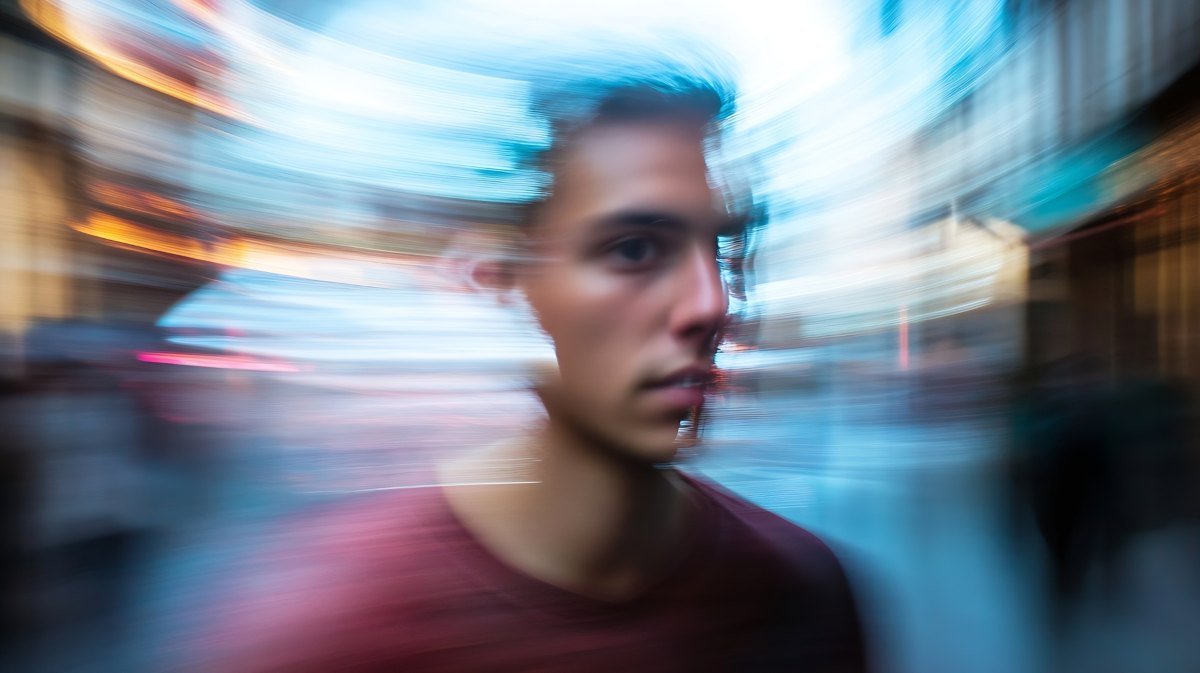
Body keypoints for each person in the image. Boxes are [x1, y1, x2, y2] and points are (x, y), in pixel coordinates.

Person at [195, 60, 868, 673]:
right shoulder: (327, 632)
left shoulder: (802, 590)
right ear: (506, 281)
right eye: (635, 249)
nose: (711, 302)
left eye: (727, 246)